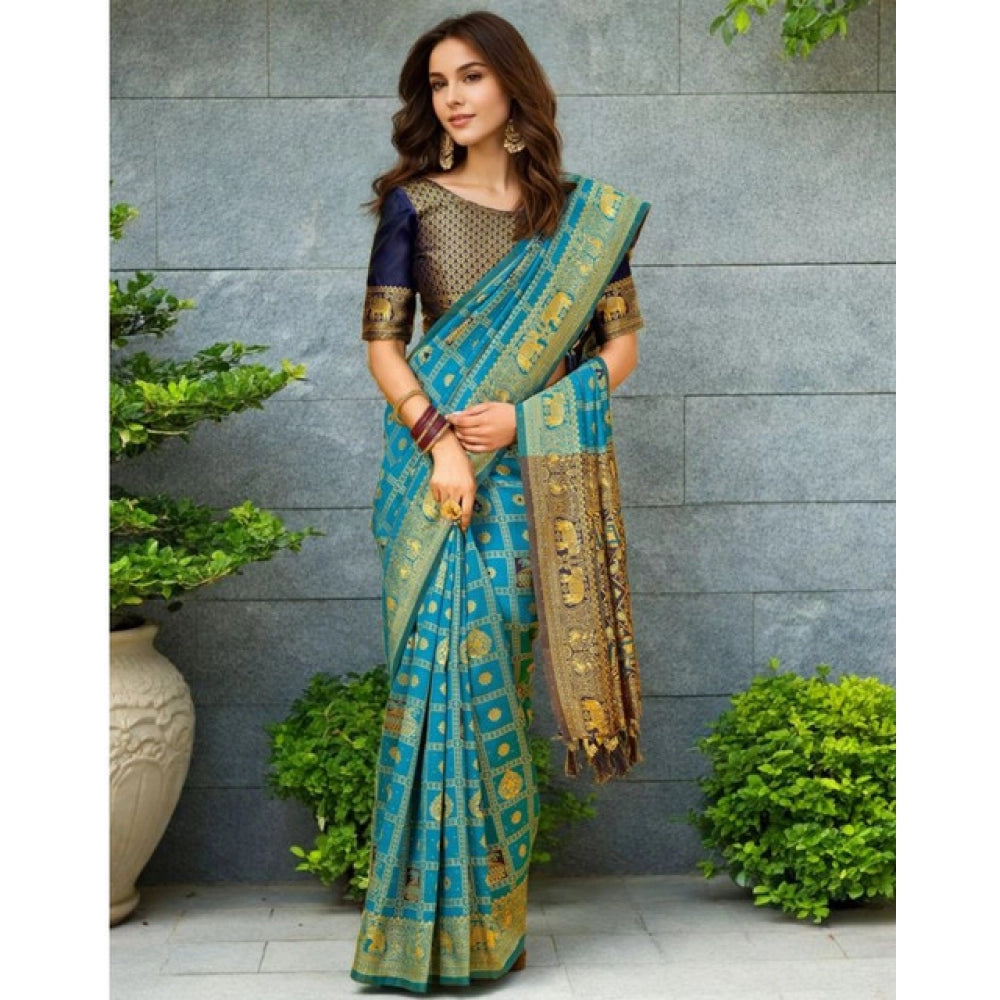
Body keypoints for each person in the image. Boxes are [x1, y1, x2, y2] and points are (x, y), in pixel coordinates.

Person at [350, 10, 648, 992]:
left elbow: (620, 350)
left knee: (495, 684)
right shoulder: (412, 205)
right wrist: (440, 443)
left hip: (527, 477)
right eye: (438, 82)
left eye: (471, 75)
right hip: (431, 478)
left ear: (513, 85)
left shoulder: (580, 219)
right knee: (427, 686)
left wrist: (527, 420)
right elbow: (383, 347)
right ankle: (412, 934)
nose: (453, 96)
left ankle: (488, 930)